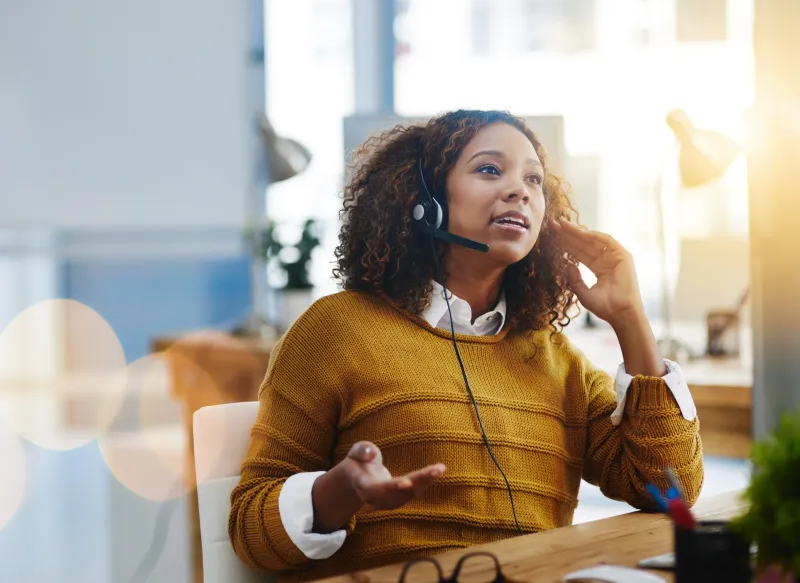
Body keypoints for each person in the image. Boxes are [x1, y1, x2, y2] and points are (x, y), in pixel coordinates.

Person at [228, 110, 702, 582]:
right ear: (425, 200)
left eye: (534, 180)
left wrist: (629, 319)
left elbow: (668, 489)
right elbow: (250, 529)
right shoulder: (336, 330)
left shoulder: (557, 361)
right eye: (490, 169)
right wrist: (338, 491)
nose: (520, 190)